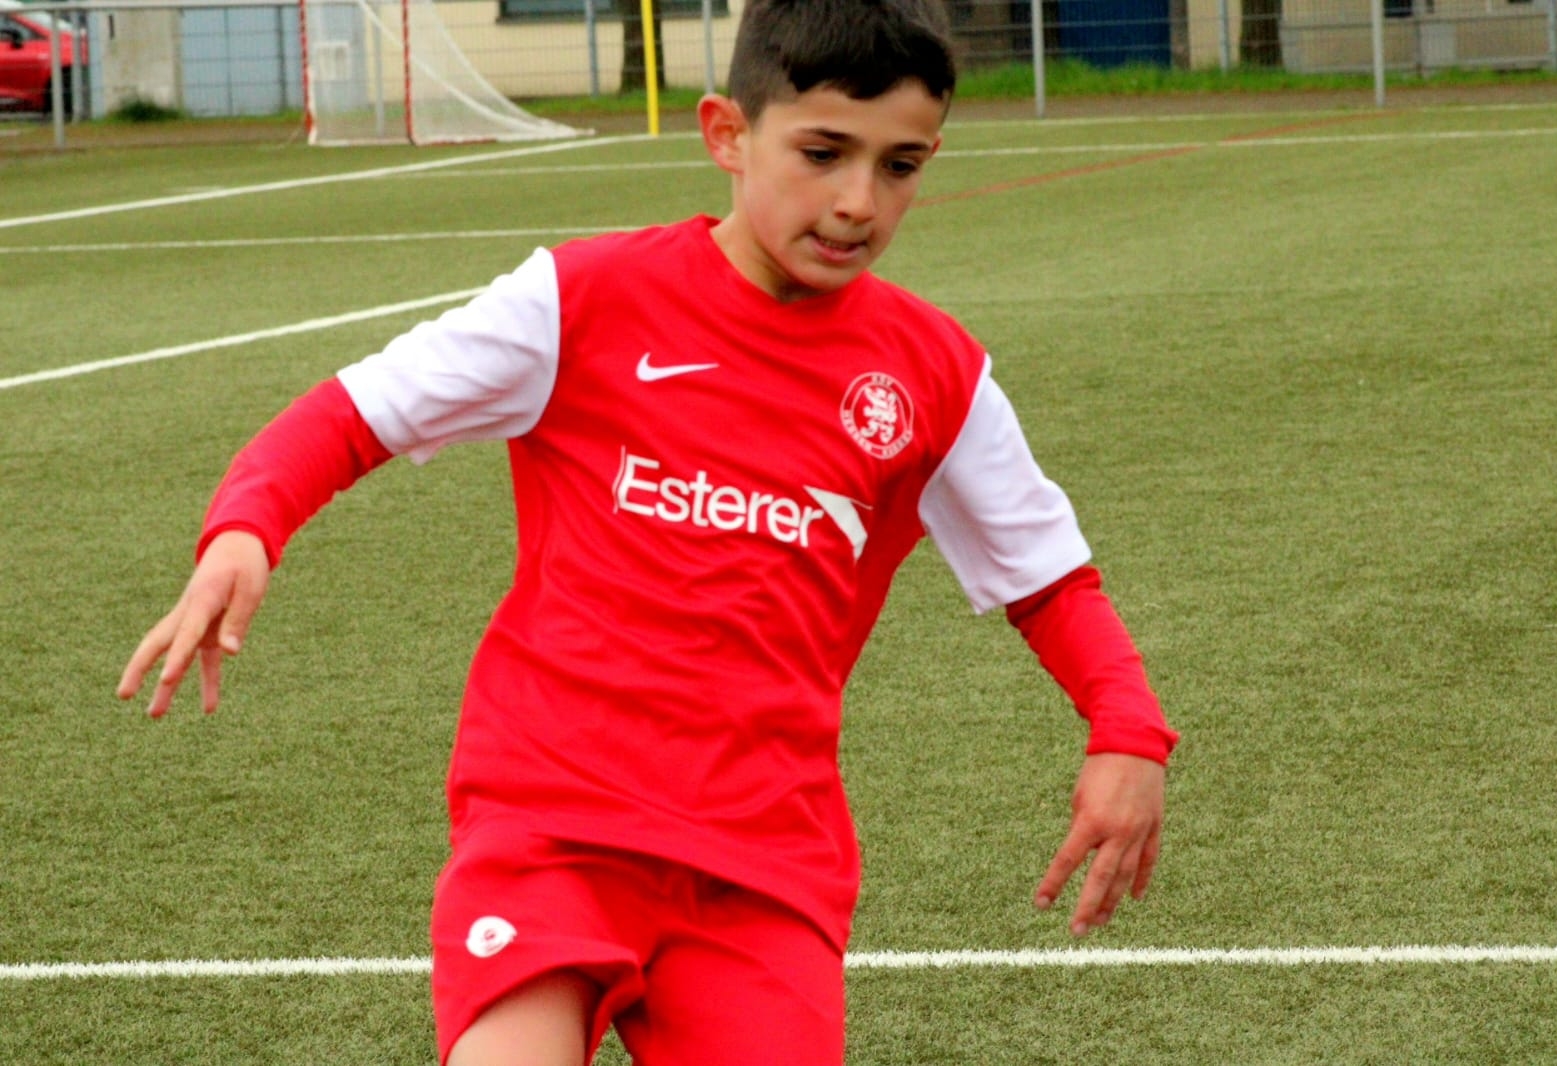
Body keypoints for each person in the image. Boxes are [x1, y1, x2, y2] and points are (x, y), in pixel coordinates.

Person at [118, 0, 1178, 1062]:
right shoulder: (579, 300)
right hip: (551, 827)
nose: (859, 201)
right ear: (727, 133)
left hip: (765, 865)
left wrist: (1127, 732)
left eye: (899, 166)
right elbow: (355, 414)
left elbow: (1051, 581)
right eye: (822, 154)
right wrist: (245, 529)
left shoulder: (935, 373)